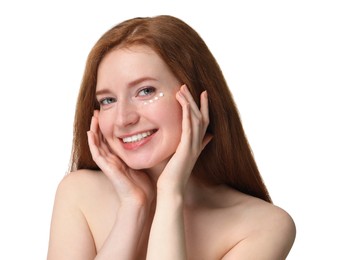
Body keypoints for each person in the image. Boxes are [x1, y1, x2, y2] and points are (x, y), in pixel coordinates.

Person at [47, 15, 296, 259]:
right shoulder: (79, 193)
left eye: (146, 91)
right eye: (108, 100)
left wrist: (170, 193)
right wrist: (133, 208)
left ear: (197, 97)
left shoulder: (264, 225)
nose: (123, 119)